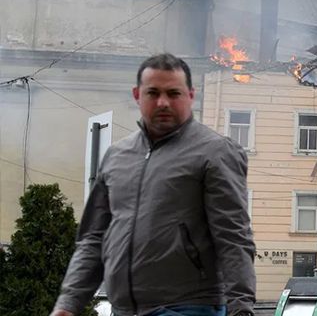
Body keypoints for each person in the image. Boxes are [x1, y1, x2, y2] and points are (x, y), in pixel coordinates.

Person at [51, 53, 256, 316]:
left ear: (191, 95)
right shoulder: (117, 156)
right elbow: (93, 238)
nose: (163, 102)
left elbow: (233, 236)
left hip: (188, 307)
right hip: (124, 309)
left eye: (173, 93)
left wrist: (241, 308)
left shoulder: (214, 152)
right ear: (137, 95)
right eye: (153, 93)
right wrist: (68, 303)